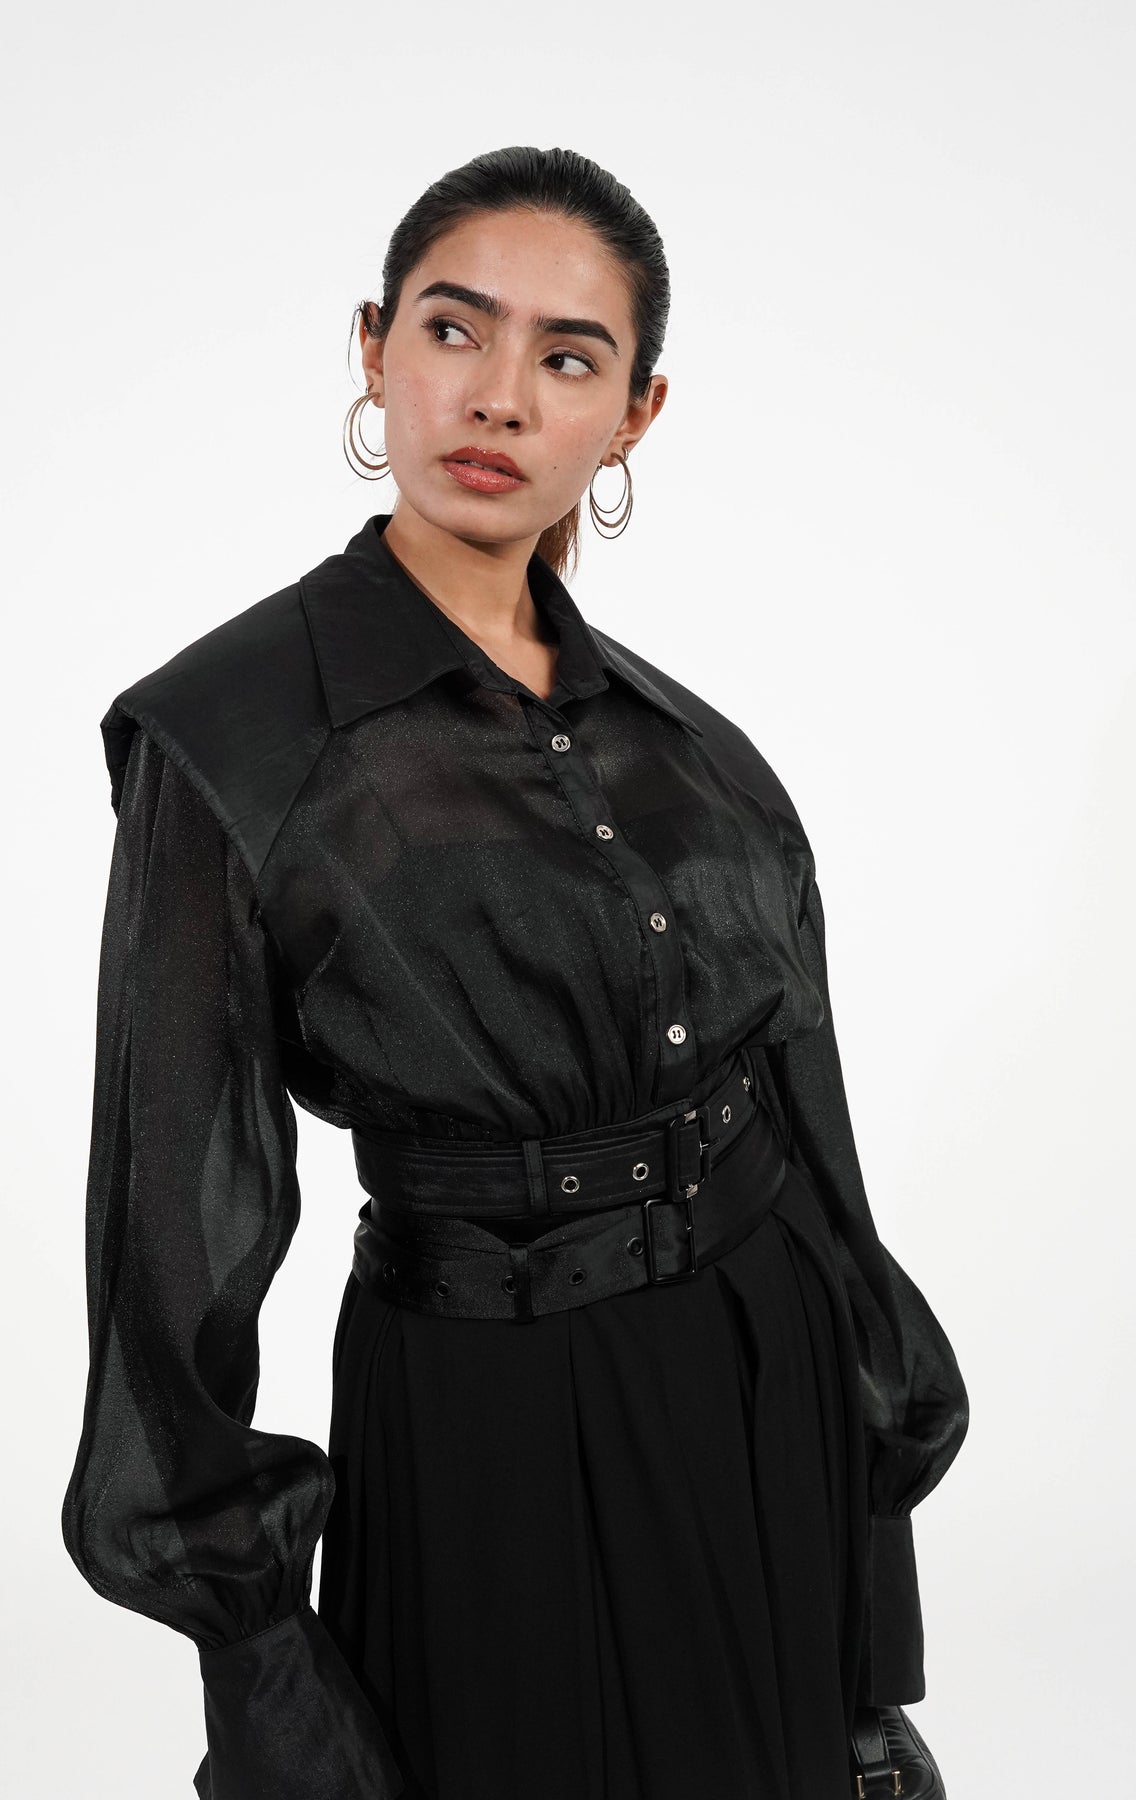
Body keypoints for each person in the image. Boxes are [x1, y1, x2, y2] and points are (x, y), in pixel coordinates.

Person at [61, 145, 970, 1800]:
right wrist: (259, 1666)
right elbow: (168, 1235)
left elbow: (816, 1162)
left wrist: (863, 1647)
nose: (497, 396)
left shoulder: (698, 754)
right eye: (453, 330)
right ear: (373, 350)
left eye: (568, 357)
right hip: (488, 1416)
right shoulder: (232, 739)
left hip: (765, 1389)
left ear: (634, 416)